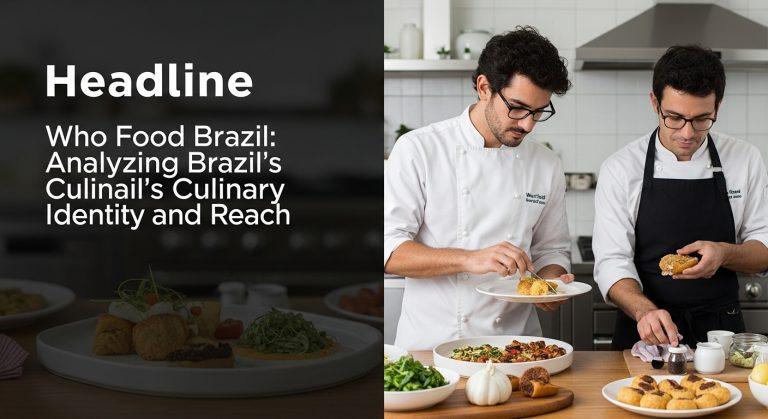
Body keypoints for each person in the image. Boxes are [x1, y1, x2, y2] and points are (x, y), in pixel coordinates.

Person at [384, 26, 574, 351]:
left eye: (539, 111)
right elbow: (389, 251)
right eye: (517, 107)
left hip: (516, 348)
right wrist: (470, 259)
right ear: (484, 87)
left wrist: (552, 282)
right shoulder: (419, 149)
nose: (527, 124)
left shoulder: (546, 164)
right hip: (431, 348)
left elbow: (551, 251)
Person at [593, 45, 768, 350]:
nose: (687, 133)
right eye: (673, 117)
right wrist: (644, 310)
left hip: (721, 335)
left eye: (702, 119)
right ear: (654, 102)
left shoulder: (744, 158)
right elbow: (612, 261)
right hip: (645, 331)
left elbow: (764, 249)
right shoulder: (621, 168)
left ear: (718, 107)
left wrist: (725, 253)